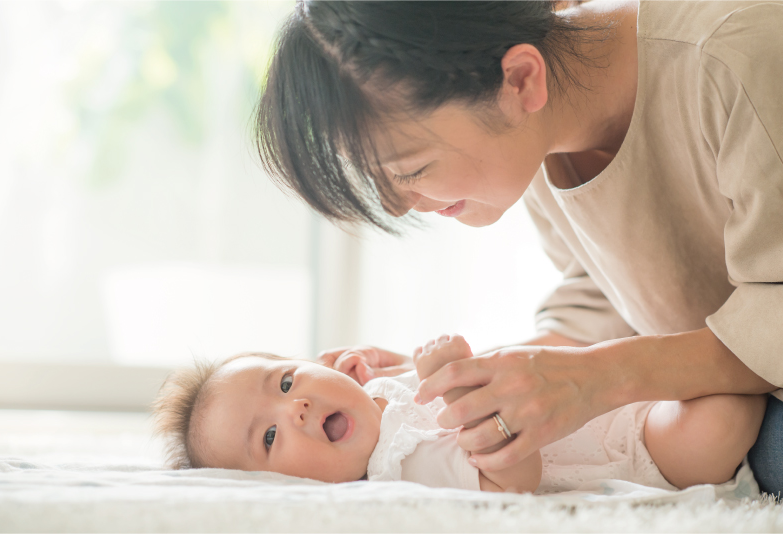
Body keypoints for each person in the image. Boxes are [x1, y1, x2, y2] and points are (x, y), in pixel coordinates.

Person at [254, 0, 783, 496]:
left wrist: (599, 377)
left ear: (521, 80)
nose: (398, 207)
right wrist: (477, 382)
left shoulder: (733, 57)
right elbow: (604, 295)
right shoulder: (539, 137)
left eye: (411, 170)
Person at [152, 335, 764, 494]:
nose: (300, 404)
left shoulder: (376, 406)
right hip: (629, 447)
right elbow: (509, 480)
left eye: (286, 380)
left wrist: (379, 372)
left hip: (605, 384)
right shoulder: (399, 472)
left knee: (699, 345)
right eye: (268, 435)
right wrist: (446, 379)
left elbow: (403, 396)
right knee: (725, 416)